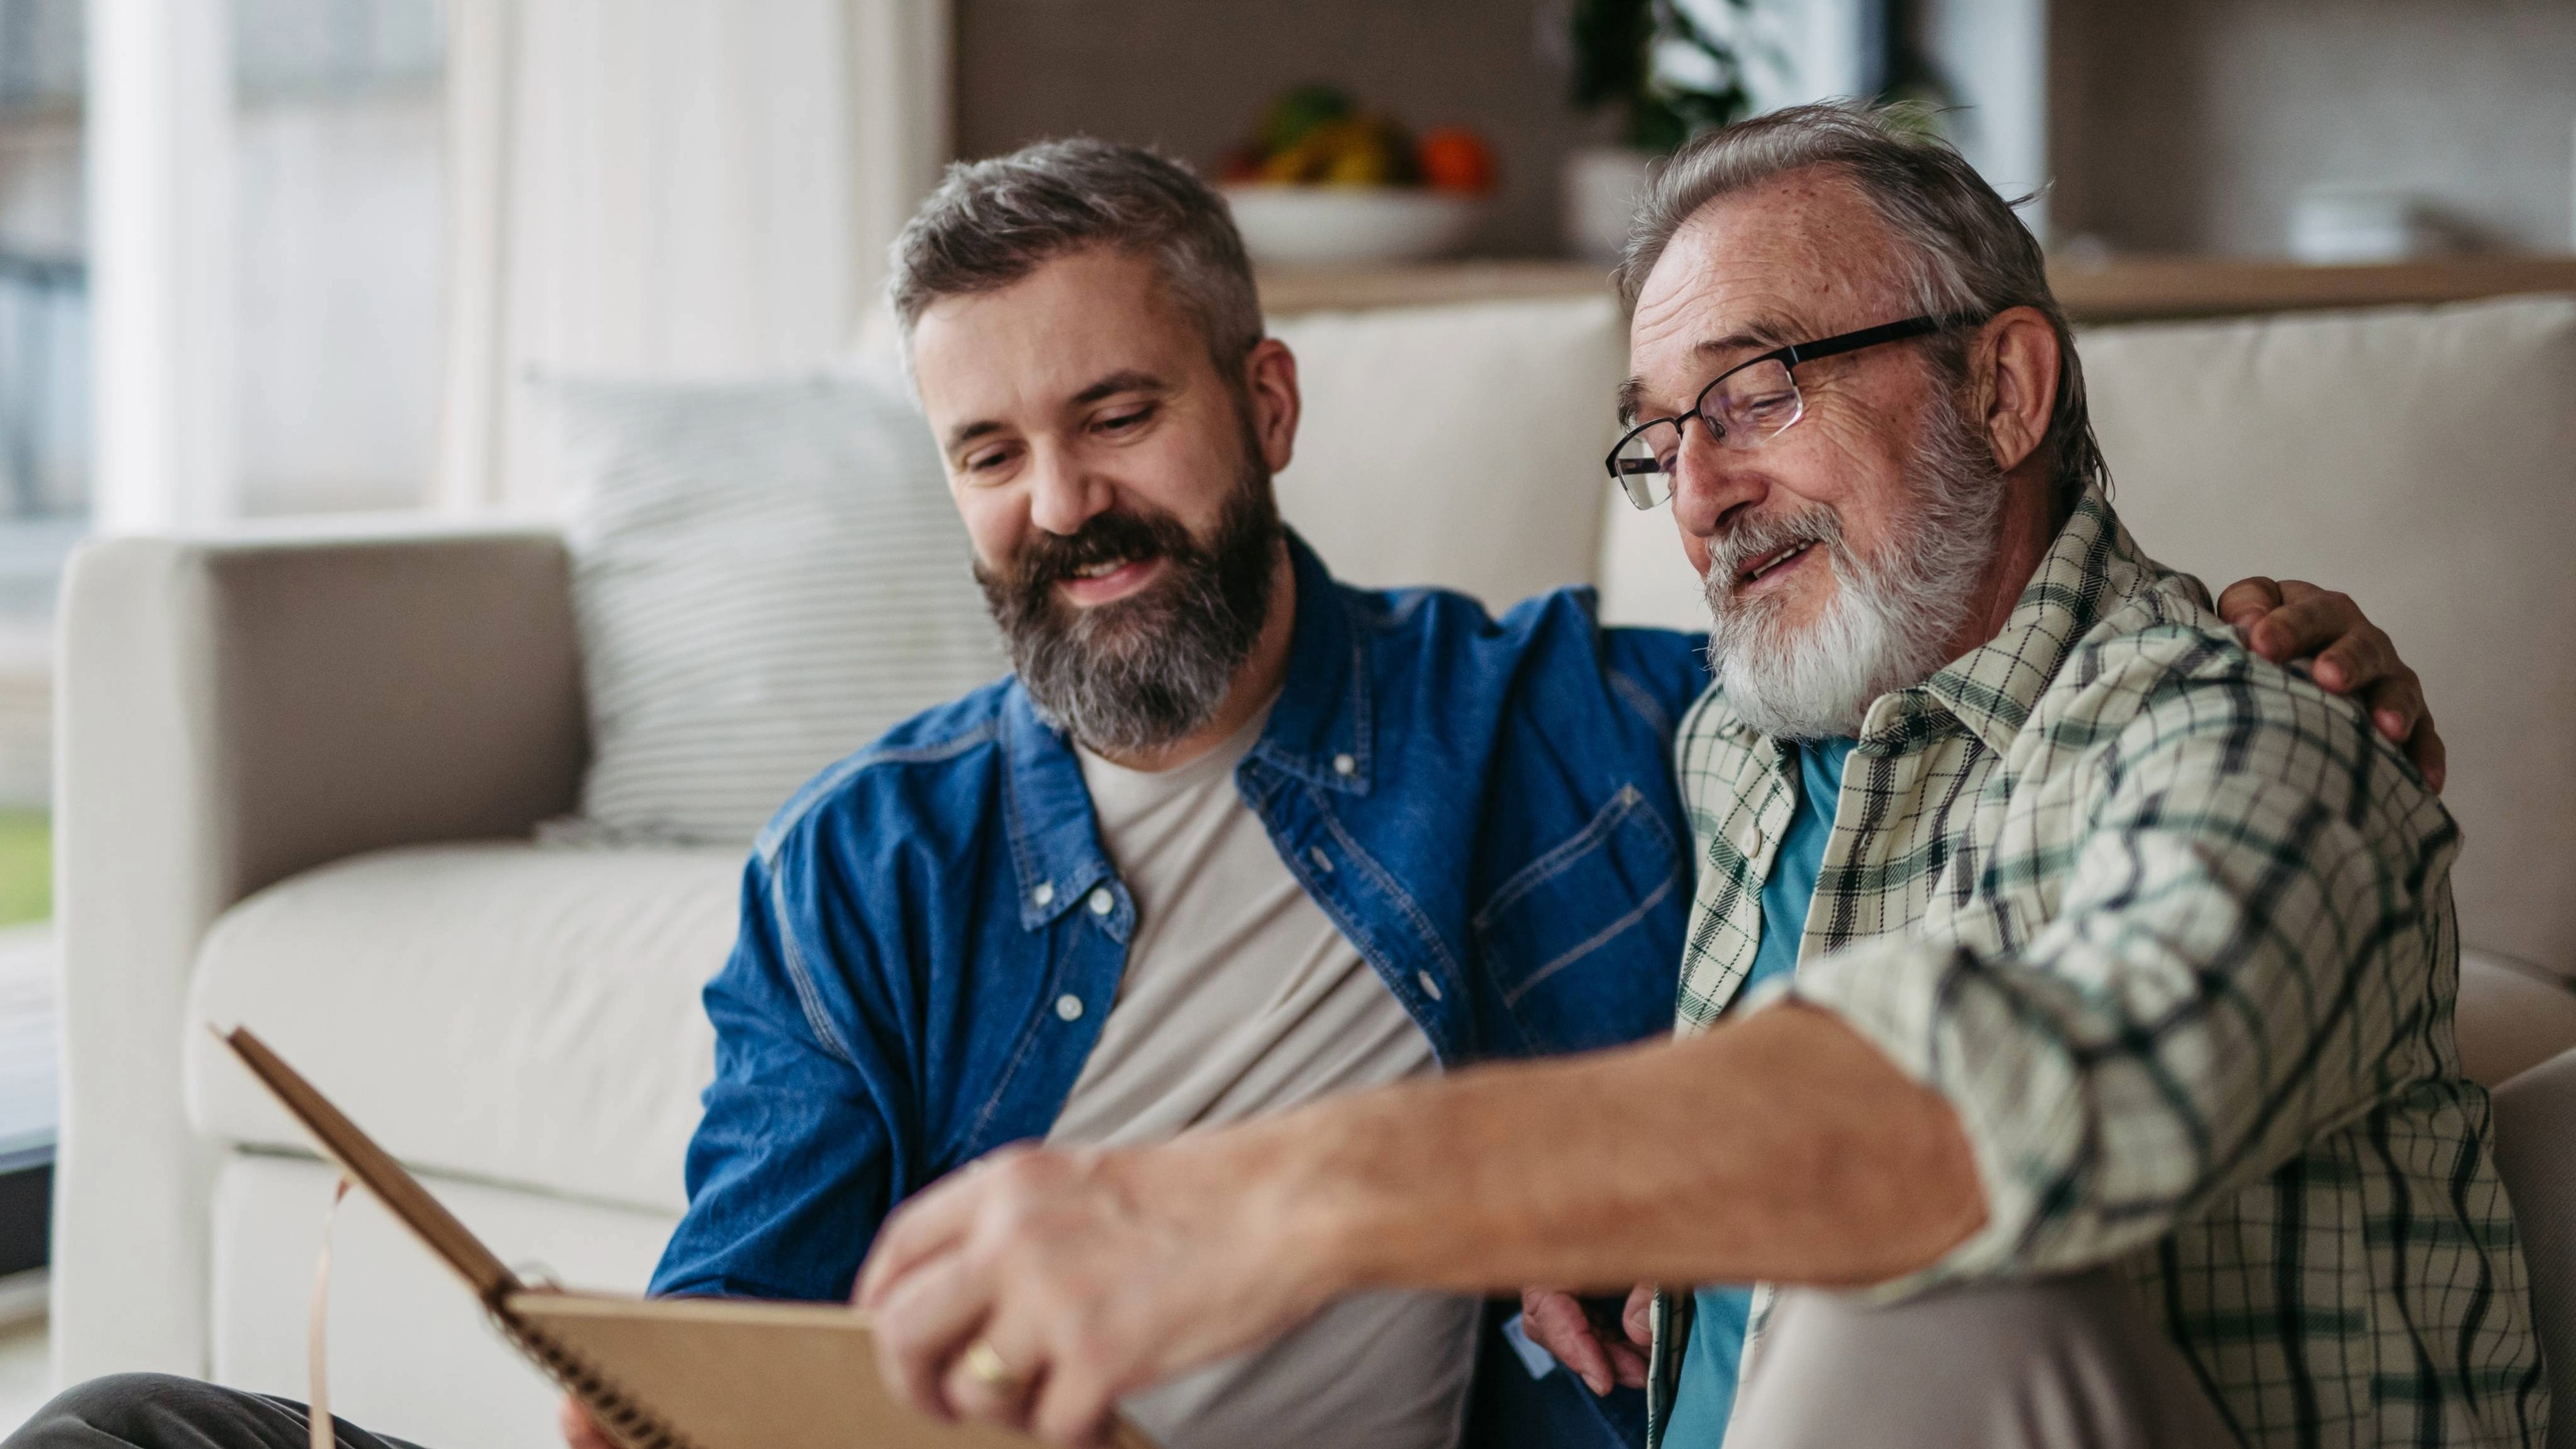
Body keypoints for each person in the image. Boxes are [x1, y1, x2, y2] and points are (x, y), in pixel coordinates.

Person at [9, 137, 2445, 1449]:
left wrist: (1309, 1204)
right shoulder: (874, 856)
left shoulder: (1577, 733)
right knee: (123, 1431)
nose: (1061, 504)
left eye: (1118, 419)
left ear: (1265, 415)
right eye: (990, 451)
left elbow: (2045, 937)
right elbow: (721, 1346)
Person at [848, 109, 2537, 1449]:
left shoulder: (2266, 741)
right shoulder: (1729, 750)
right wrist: (1651, 1194)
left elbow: (2062, 1086)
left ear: (2004, 385)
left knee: (1925, 1273)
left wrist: (1293, 1199)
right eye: (1662, 434)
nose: (1700, 489)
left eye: (1755, 390)